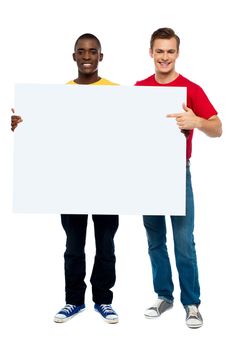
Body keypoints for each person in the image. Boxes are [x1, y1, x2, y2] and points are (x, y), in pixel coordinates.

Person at [11, 33, 119, 324]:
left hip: (108, 182)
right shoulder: (59, 96)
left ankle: (103, 301)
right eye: (81, 52)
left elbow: (127, 135)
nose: (87, 56)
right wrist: (22, 127)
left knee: (105, 245)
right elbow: (47, 138)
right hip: (71, 183)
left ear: (101, 57)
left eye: (92, 51)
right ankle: (74, 301)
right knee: (74, 245)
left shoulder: (117, 92)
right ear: (74, 57)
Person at [135, 27, 222, 328]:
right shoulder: (139, 87)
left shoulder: (191, 89)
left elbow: (218, 127)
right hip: (146, 173)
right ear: (151, 53)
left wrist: (196, 120)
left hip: (176, 171)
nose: (164, 57)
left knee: (184, 241)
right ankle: (164, 296)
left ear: (177, 54)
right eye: (159, 51)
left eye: (170, 51)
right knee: (155, 240)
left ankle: (192, 303)